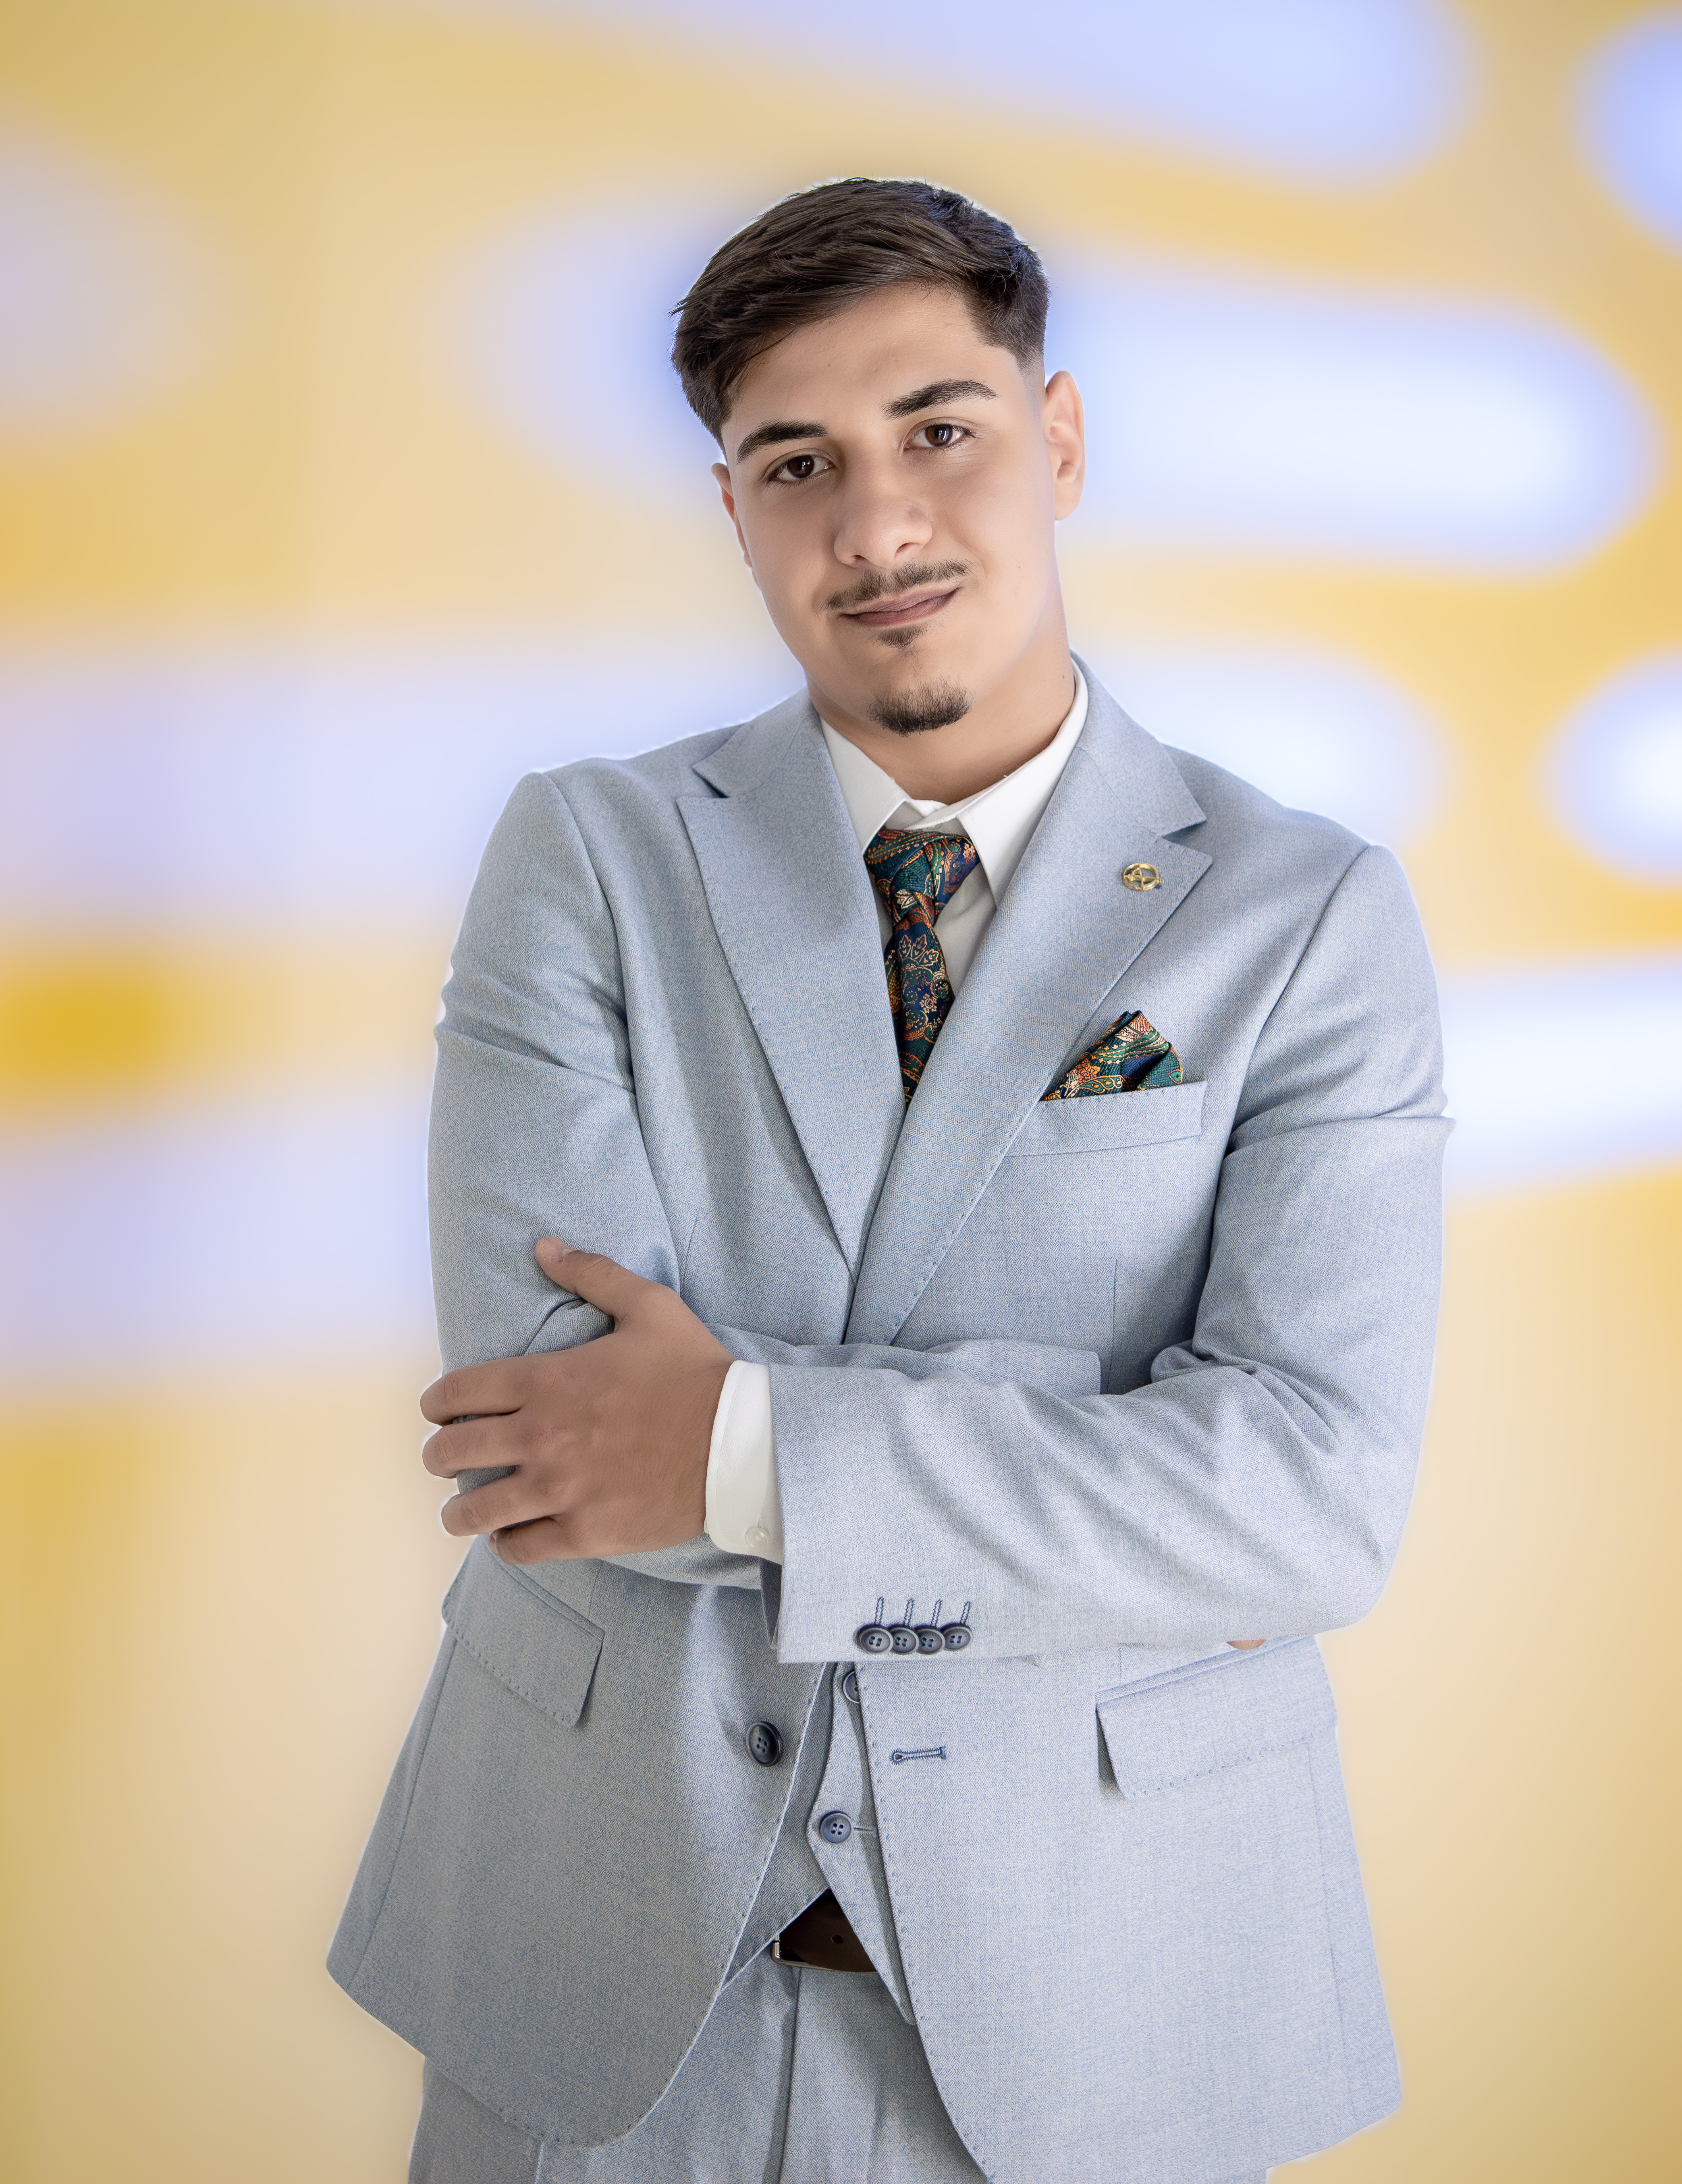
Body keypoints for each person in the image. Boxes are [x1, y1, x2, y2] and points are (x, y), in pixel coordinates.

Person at [330, 178, 1449, 2184]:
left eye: (941, 429)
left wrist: (741, 1443)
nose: (878, 523)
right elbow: (552, 1426)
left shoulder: (1306, 917)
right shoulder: (589, 856)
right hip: (598, 1972)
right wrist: (1094, 1446)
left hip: (1107, 1992)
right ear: (734, 508)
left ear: (1060, 437)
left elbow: (1304, 1494)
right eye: (799, 464)